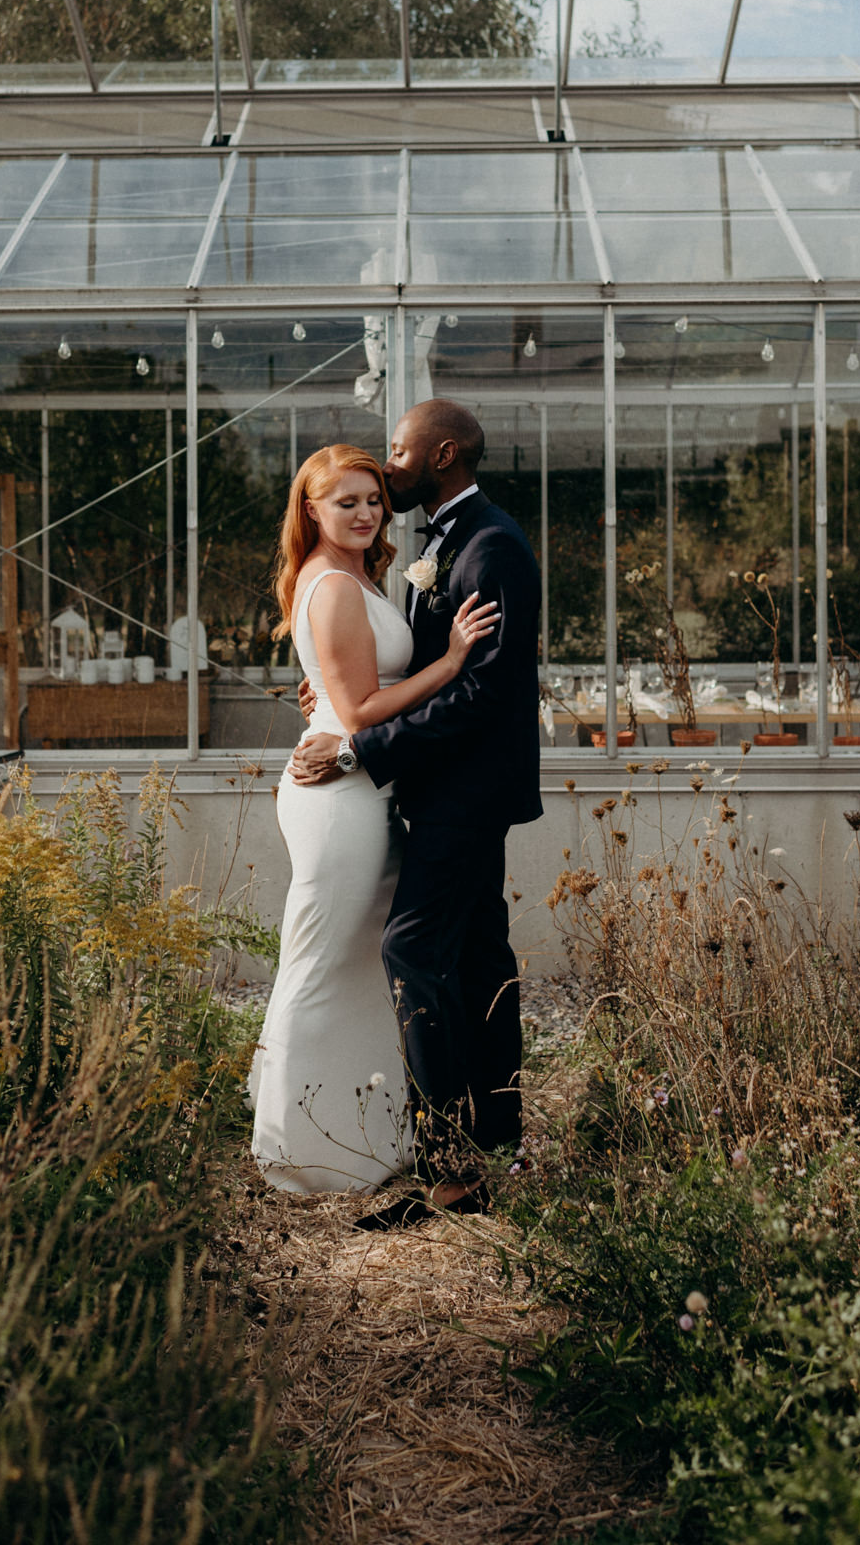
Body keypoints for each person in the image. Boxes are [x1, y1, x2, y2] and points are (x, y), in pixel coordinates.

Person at [290, 400, 542, 1229]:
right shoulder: (437, 543)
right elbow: (402, 668)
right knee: (475, 958)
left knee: (412, 948)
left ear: (439, 455)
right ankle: (495, 1141)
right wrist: (333, 702)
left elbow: (485, 689)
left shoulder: (490, 544)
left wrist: (363, 748)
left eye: (396, 454)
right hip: (436, 790)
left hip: (465, 794)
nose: (385, 470)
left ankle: (447, 1170)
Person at [249, 442, 499, 1195]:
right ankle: (296, 1152)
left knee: (359, 958)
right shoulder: (331, 586)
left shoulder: (357, 575)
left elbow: (340, 687)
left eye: (370, 500)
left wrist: (323, 692)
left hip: (366, 781)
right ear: (310, 509)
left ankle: (357, 1137)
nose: (363, 513)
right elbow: (357, 710)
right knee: (322, 955)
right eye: (344, 502)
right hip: (340, 796)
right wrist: (451, 660)